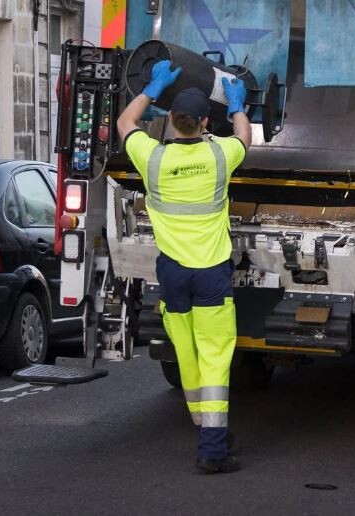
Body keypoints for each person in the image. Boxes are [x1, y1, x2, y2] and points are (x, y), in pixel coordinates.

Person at [116, 60, 253, 475]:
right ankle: (212, 449)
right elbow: (244, 137)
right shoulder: (219, 155)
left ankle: (204, 426)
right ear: (205, 122)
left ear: (171, 120)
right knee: (214, 356)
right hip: (210, 273)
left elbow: (125, 123)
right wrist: (237, 107)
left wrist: (152, 89)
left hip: (173, 273)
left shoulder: (152, 158)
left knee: (188, 353)